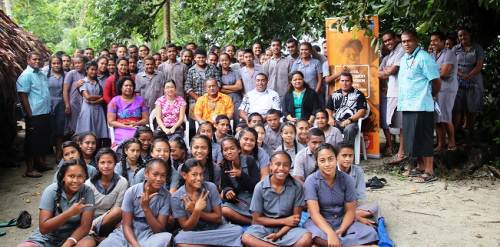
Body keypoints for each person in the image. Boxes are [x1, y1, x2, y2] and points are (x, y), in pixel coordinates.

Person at [303, 143, 378, 247]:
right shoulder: (311, 181)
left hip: (342, 220)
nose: (327, 164)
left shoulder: (347, 180)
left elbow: (351, 210)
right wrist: (330, 233)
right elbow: (314, 213)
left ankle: (339, 243)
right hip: (321, 222)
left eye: (330, 159)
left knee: (370, 233)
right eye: (322, 160)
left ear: (336, 159)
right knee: (312, 235)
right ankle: (353, 244)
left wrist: (341, 229)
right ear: (317, 162)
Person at [17, 159, 95, 247]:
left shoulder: (87, 192)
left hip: (74, 237)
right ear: (63, 177)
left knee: (88, 243)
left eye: (80, 176)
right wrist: (70, 213)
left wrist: (69, 243)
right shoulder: (51, 191)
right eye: (71, 176)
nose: (75, 180)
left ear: (85, 177)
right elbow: (44, 229)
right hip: (47, 238)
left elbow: (85, 227)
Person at [98, 159, 174, 247]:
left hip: (149, 233)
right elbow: (126, 225)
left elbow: (159, 230)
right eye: (155, 174)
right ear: (146, 174)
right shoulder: (132, 191)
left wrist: (146, 209)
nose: (159, 179)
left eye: (163, 175)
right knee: (107, 244)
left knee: (166, 237)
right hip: (127, 232)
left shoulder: (166, 196)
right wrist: (135, 245)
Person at [242, 151, 312, 247]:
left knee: (306, 237)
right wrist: (284, 221)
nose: (281, 168)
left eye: (286, 165)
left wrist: (278, 234)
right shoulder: (260, 187)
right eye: (277, 164)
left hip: (288, 229)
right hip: (264, 227)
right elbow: (256, 219)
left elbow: (295, 219)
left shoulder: (297, 187)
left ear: (290, 167)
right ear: (270, 166)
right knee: (247, 237)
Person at [398, 30, 441, 183]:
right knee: (412, 138)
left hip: (422, 105)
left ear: (416, 41)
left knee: (425, 138)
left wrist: (431, 96)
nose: (406, 44)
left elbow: (436, 81)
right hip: (407, 104)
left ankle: (429, 171)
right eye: (403, 41)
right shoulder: (404, 59)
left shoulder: (424, 57)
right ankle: (420, 167)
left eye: (409, 41)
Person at [171, 159, 243, 246]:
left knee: (237, 230)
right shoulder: (176, 197)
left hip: (217, 228)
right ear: (184, 175)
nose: (199, 178)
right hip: (195, 232)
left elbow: (218, 217)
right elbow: (186, 227)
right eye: (194, 175)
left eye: (201, 174)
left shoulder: (211, 187)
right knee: (179, 239)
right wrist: (196, 212)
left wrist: (196, 210)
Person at [78, 148, 127, 246]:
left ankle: (100, 236)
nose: (106, 166)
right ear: (97, 164)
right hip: (91, 220)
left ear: (115, 163)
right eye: (102, 162)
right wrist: (91, 225)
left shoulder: (122, 182)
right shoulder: (89, 184)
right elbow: (86, 210)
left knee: (118, 211)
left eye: (110, 162)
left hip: (112, 219)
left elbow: (117, 208)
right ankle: (95, 235)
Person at [336, 142, 379, 226]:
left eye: (350, 155)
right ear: (337, 157)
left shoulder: (358, 171)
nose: (348, 159)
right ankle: (352, 216)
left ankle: (349, 216)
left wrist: (350, 210)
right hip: (335, 207)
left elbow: (359, 195)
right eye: (344, 155)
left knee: (375, 206)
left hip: (352, 205)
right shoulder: (332, 170)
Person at [220, 137, 260, 225]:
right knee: (224, 210)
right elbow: (224, 185)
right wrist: (228, 191)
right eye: (225, 150)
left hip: (254, 198)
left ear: (238, 149)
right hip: (239, 201)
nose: (229, 152)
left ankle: (257, 218)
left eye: (232, 148)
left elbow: (257, 186)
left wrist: (241, 175)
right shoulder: (224, 165)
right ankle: (253, 222)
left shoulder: (249, 161)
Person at [379, 30, 406, 162]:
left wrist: (387, 71)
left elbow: (392, 70)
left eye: (389, 39)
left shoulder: (401, 50)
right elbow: (379, 74)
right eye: (385, 41)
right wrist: (387, 71)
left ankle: (402, 153)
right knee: (397, 124)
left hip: (401, 92)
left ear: (396, 38)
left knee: (402, 125)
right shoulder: (391, 54)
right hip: (393, 92)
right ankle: (401, 152)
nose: (388, 43)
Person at [452, 27, 485, 134]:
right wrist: (461, 74)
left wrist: (468, 75)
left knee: (472, 107)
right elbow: (451, 64)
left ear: (469, 35)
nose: (462, 37)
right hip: (458, 80)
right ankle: (457, 132)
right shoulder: (455, 49)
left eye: (464, 34)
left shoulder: (477, 48)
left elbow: (479, 65)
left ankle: (470, 131)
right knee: (457, 107)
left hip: (474, 80)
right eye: (460, 35)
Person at [430, 31, 458, 152]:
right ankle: (441, 144)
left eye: (436, 40)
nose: (433, 43)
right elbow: (429, 70)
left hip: (447, 89)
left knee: (445, 116)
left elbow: (444, 73)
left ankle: (452, 142)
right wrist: (436, 71)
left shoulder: (449, 54)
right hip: (435, 89)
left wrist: (433, 72)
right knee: (437, 118)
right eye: (431, 41)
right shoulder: (432, 55)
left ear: (442, 41)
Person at [325, 72, 367, 145]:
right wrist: (330, 118)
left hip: (352, 123)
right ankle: (329, 151)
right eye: (342, 81)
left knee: (349, 129)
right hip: (336, 122)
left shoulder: (359, 94)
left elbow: (362, 111)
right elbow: (328, 108)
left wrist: (350, 120)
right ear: (340, 82)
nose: (344, 83)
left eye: (347, 81)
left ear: (351, 82)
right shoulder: (334, 94)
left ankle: (345, 153)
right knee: (321, 124)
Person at [107, 77, 149, 146]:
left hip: (137, 127)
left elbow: (146, 119)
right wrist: (125, 126)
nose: (129, 87)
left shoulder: (140, 100)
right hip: (121, 128)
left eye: (131, 86)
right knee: (127, 142)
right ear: (121, 88)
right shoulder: (115, 101)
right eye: (126, 85)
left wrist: (136, 123)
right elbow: (111, 121)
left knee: (141, 138)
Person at [76, 61, 108, 139]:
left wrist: (99, 98)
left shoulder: (99, 82)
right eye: (92, 69)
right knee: (87, 132)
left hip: (98, 109)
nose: (94, 71)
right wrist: (100, 97)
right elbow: (87, 97)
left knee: (98, 132)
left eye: (95, 69)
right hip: (87, 109)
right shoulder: (83, 82)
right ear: (87, 70)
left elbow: (104, 97)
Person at [47, 55, 66, 161]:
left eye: (58, 63)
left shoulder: (66, 75)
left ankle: (59, 154)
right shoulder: (45, 75)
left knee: (60, 131)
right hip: (48, 104)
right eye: (54, 63)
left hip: (61, 105)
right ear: (50, 64)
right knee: (49, 130)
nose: (56, 65)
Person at [64, 55, 88, 135]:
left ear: (84, 64)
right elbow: (65, 90)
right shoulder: (71, 73)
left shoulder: (87, 73)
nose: (77, 65)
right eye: (75, 63)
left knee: (84, 125)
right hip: (74, 103)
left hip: (85, 103)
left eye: (79, 63)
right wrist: (67, 105)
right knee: (74, 125)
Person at [220, 52, 243, 123]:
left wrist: (224, 86)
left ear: (230, 61)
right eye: (222, 60)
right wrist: (234, 88)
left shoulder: (235, 72)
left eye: (226, 60)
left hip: (236, 98)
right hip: (222, 99)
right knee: (224, 120)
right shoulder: (217, 73)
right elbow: (219, 89)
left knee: (238, 118)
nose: (224, 62)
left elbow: (239, 87)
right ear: (219, 62)